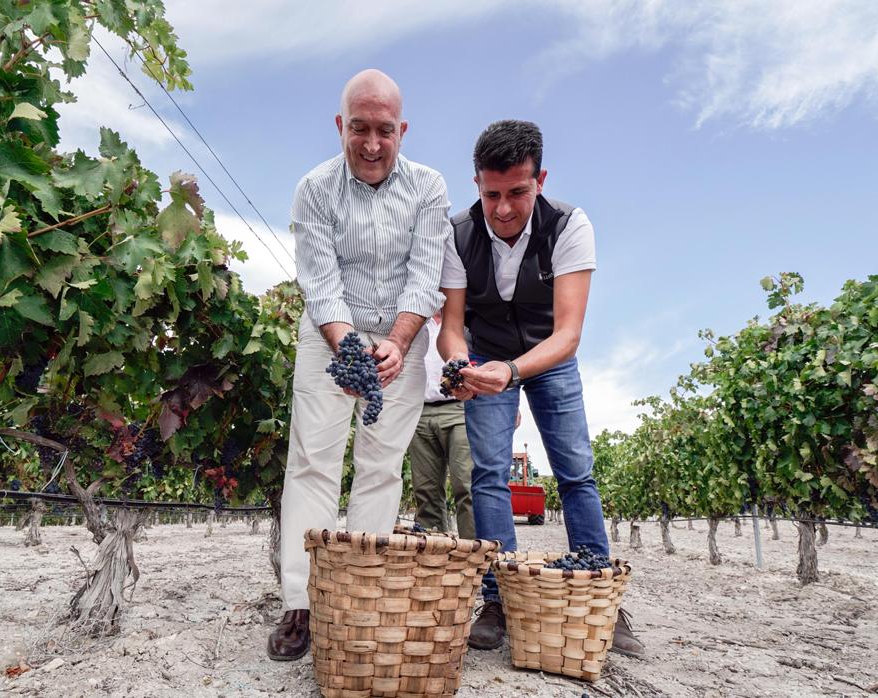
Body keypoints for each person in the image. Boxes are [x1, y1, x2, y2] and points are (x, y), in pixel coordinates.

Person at [437, 119, 644, 657]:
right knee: (487, 474)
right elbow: (452, 328)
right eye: (491, 195)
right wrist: (462, 368)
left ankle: (600, 593)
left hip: (547, 357)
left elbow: (569, 335)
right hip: (485, 354)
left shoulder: (570, 226)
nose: (503, 208)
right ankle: (497, 599)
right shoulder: (457, 233)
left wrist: (513, 370)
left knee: (576, 471)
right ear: (477, 184)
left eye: (517, 193)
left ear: (540, 180)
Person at [266, 69, 452, 662]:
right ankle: (301, 600)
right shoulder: (314, 189)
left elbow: (426, 275)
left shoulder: (428, 188)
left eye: (384, 131)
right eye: (361, 129)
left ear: (402, 130)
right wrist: (349, 344)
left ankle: (360, 592)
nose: (372, 144)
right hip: (331, 337)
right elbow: (319, 283)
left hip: (402, 338)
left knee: (381, 467)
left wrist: (397, 343)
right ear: (341, 125)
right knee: (313, 464)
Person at [406, 313, 474, 539]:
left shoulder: (466, 315)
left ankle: (473, 561)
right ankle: (432, 561)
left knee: (467, 487)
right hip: (419, 409)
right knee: (425, 492)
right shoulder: (413, 316)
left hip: (461, 409)